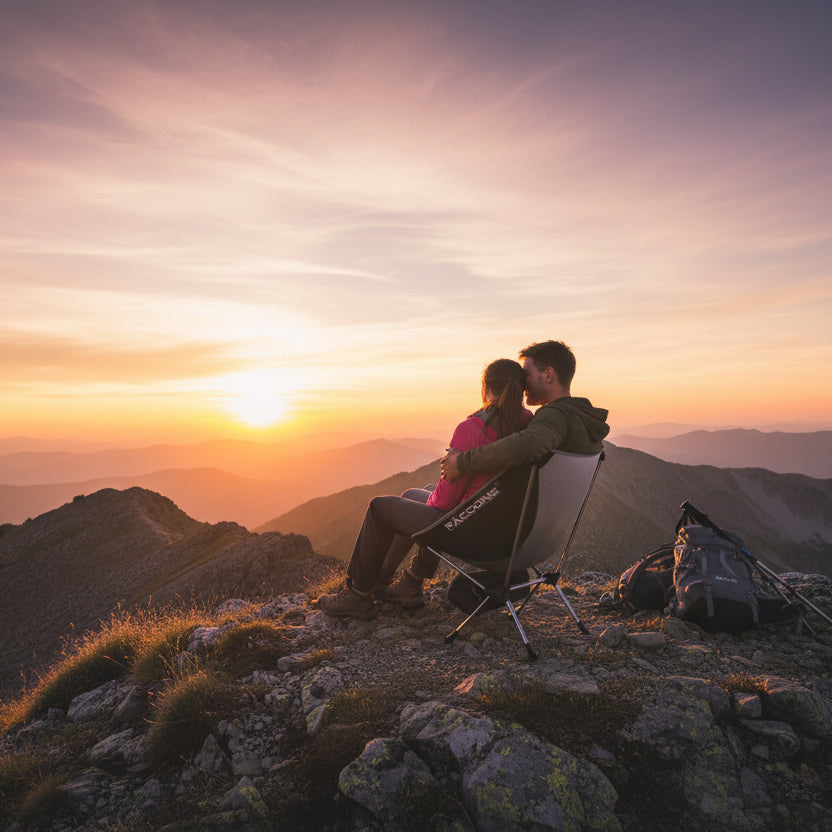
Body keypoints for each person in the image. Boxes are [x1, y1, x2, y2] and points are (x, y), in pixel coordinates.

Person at [317, 358, 533, 620]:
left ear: (486, 388)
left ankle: (358, 595)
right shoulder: (526, 424)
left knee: (379, 507)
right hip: (496, 520)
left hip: (468, 526)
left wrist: (433, 495)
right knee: (411, 495)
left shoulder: (472, 429)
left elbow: (444, 502)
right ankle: (407, 584)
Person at [396, 339, 609, 595]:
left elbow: (529, 444)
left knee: (415, 504)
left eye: (527, 374)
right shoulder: (581, 421)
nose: (522, 383)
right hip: (543, 539)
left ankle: (399, 585)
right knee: (429, 492)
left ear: (549, 375)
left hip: (510, 536)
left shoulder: (554, 416)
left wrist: (462, 461)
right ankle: (410, 582)